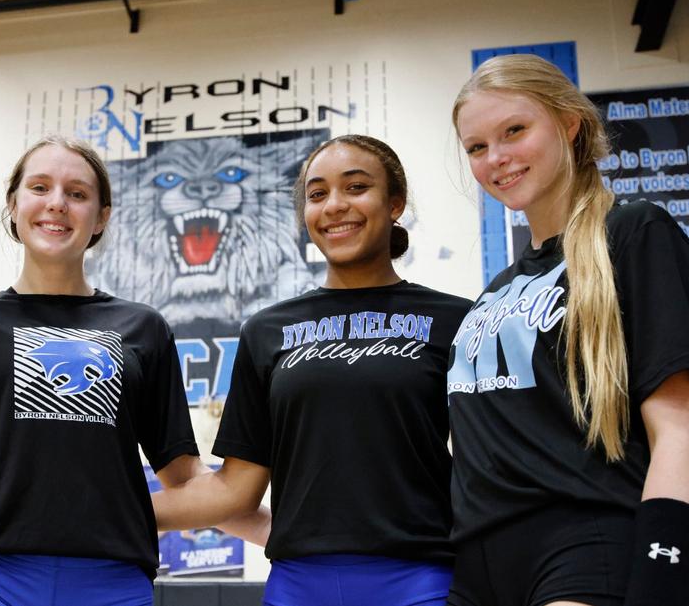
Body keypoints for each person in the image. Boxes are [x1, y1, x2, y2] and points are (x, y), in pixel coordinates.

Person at [152, 134, 472, 606]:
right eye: (318, 194)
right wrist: (90, 510)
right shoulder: (266, 331)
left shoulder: (456, 320)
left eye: (357, 187)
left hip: (421, 580)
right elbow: (234, 492)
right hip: (299, 584)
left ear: (396, 203)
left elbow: (489, 468)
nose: (335, 206)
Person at [447, 54, 689, 606]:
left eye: (514, 130)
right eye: (476, 147)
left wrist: (661, 585)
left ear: (570, 123)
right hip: (474, 568)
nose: (496, 158)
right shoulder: (494, 290)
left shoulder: (634, 233)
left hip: (585, 549)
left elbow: (683, 434)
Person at [0, 136, 205, 606]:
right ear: (14, 205)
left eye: (77, 194)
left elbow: (186, 478)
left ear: (101, 217)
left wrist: (270, 523)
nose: (57, 204)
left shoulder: (144, 328)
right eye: (39, 187)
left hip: (111, 580)